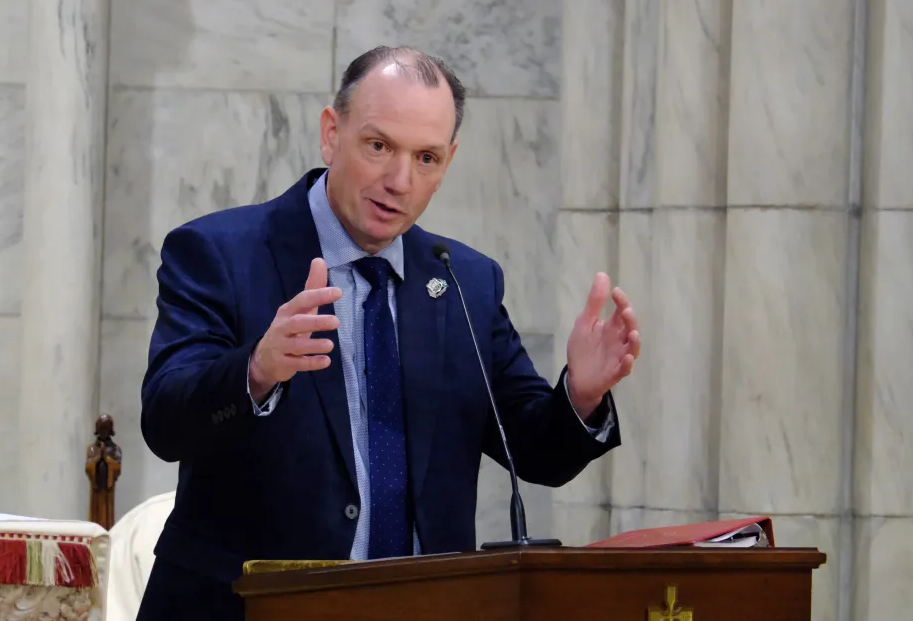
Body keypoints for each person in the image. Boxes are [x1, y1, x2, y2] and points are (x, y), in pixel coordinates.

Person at [135, 46, 641, 620]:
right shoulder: (221, 253)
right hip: (246, 608)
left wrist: (580, 396)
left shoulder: (465, 281)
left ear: (447, 163)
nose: (399, 180)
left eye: (425, 158)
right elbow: (165, 423)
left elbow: (534, 451)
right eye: (379, 146)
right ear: (331, 133)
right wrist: (255, 371)